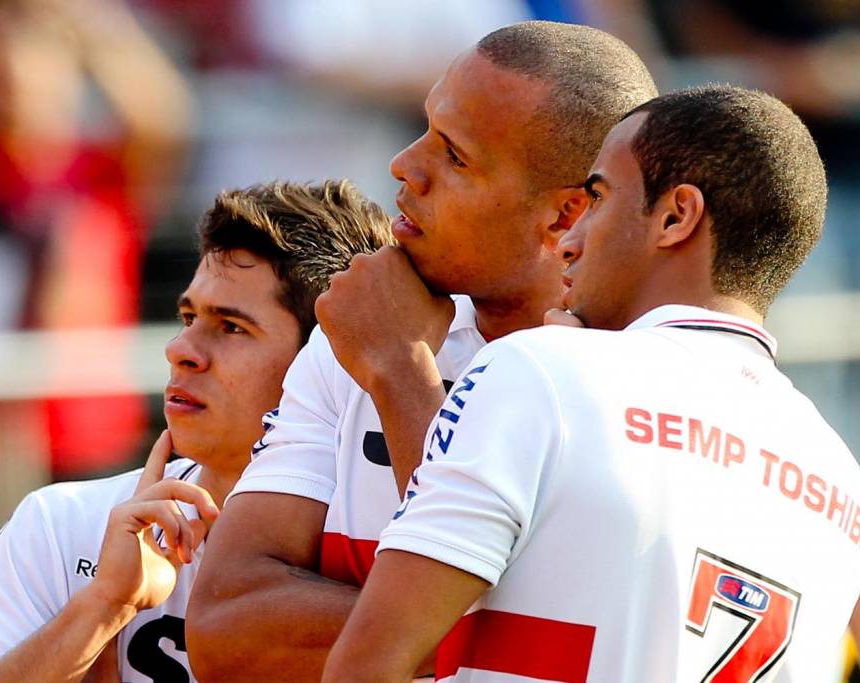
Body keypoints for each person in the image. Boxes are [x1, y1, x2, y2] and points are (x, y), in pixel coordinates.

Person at [323, 85, 860, 682]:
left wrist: (401, 366)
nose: (570, 238)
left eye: (599, 197)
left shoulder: (541, 369)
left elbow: (368, 663)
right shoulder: (841, 476)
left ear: (675, 216)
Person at [186, 20, 658, 682]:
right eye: (425, 126)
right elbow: (222, 632)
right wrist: (465, 624)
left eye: (455, 155)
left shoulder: (649, 383)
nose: (405, 164)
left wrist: (401, 371)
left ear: (565, 217)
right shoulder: (356, 329)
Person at [0, 180, 394, 682]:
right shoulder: (64, 524)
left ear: (330, 364)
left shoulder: (400, 545)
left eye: (231, 327)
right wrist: (101, 609)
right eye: (188, 316)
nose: (181, 348)